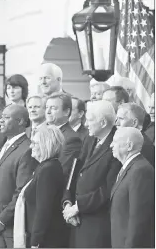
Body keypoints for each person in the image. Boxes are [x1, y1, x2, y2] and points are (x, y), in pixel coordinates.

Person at [62, 100, 121, 248]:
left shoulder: (118, 143)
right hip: (76, 219)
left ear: (102, 123)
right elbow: (75, 171)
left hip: (97, 224)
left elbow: (110, 188)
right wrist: (67, 202)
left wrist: (78, 207)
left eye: (89, 120)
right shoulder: (89, 138)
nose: (86, 124)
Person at [0, 104, 37, 248]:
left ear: (20, 121)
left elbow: (21, 192)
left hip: (12, 228)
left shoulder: (27, 149)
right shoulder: (4, 146)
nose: (1, 121)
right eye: (1, 117)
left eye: (6, 117)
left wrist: (1, 221)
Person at [13, 125, 68, 248]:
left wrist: (35, 241)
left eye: (34, 143)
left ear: (46, 145)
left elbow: (43, 209)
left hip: (46, 240)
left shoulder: (48, 169)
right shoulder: (43, 167)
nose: (31, 146)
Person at [110, 127, 155, 248]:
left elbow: (138, 219)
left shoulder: (140, 171)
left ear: (129, 146)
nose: (111, 145)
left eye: (115, 141)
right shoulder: (129, 167)